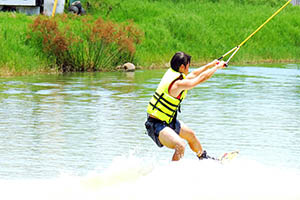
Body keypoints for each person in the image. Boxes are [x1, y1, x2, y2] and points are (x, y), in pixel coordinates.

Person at [145, 51, 225, 161]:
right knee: (180, 145)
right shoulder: (178, 84)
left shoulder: (174, 73)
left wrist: (210, 65)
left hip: (168, 121)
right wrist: (217, 68)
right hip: (156, 125)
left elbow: (194, 74)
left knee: (191, 135)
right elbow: (200, 78)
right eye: (188, 66)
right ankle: (172, 174)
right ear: (182, 67)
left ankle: (204, 158)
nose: (189, 68)